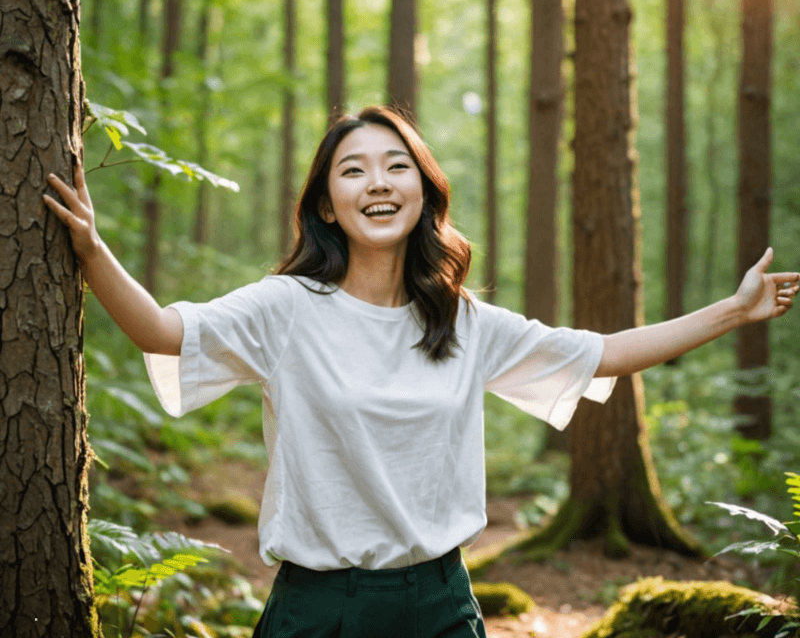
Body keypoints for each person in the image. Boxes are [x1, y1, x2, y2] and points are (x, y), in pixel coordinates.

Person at [44, 106, 798, 638]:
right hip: (319, 608)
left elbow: (605, 352)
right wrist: (90, 250)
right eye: (353, 170)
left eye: (396, 166)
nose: (377, 182)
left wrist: (732, 312)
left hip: (441, 603)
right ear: (328, 206)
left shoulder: (463, 321)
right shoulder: (284, 309)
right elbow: (161, 331)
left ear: (425, 193)